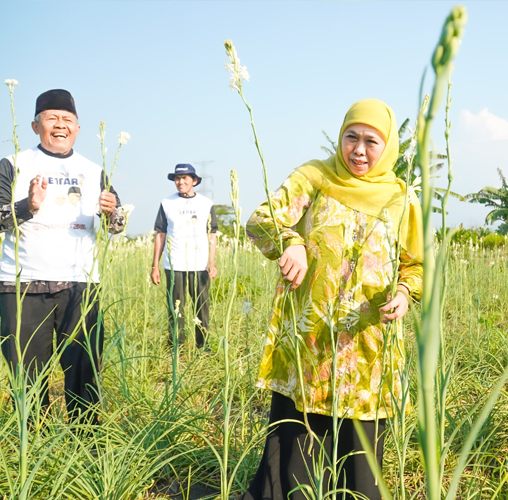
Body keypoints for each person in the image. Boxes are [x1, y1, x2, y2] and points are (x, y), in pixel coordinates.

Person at [234, 99, 423, 500]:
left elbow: (414, 265)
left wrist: (405, 294)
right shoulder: (315, 177)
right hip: (310, 340)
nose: (358, 149)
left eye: (372, 141)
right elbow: (261, 219)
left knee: (360, 459)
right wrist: (292, 241)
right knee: (299, 446)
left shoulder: (401, 198)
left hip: (367, 347)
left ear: (388, 147)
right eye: (350, 137)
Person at [0, 89, 125, 422]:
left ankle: (86, 443)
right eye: (52, 118)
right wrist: (27, 205)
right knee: (27, 376)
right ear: (35, 126)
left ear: (77, 128)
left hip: (80, 287)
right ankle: (34, 446)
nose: (60, 125)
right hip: (23, 286)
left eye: (68, 120)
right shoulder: (14, 164)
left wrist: (113, 212)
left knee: (84, 373)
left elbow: (117, 225)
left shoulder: (94, 169)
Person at [150, 164, 218, 350]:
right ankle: (176, 345)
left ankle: (202, 345)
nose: (181, 182)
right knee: (175, 306)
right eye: (177, 179)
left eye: (185, 178)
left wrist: (212, 263)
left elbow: (211, 234)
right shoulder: (166, 203)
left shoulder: (206, 203)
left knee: (202, 305)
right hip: (174, 262)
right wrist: (155, 266)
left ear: (194, 181)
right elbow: (160, 234)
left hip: (199, 263)